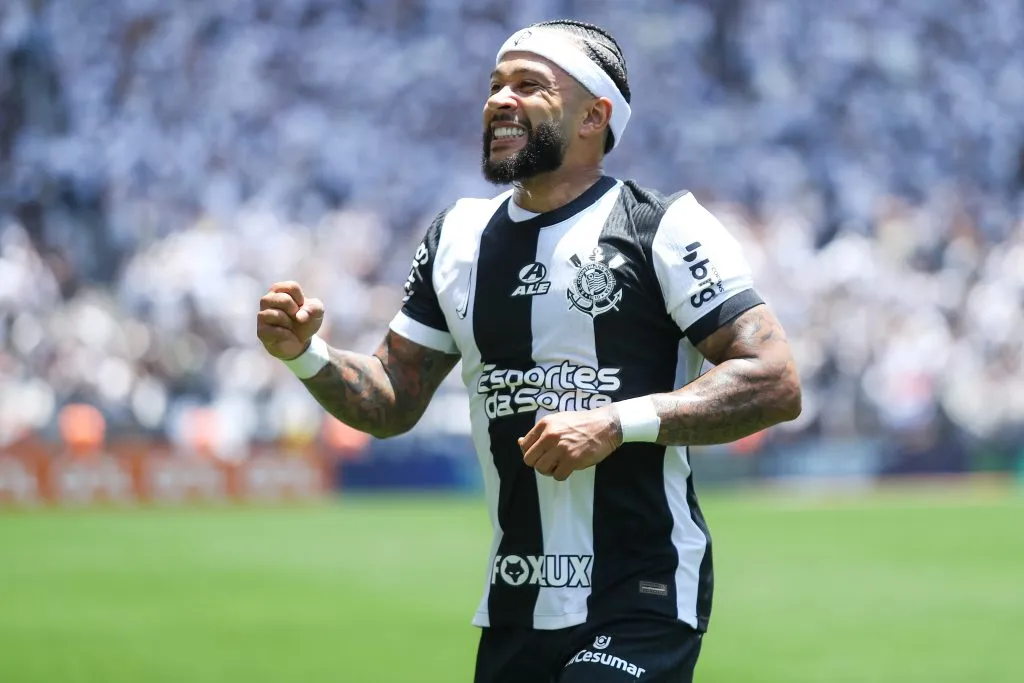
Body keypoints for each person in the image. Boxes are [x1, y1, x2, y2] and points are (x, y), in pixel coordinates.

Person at [257, 19, 801, 683]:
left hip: (642, 590)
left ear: (593, 117)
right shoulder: (456, 237)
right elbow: (394, 398)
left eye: (528, 85)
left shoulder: (662, 225)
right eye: (494, 85)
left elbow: (774, 378)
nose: (497, 100)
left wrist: (613, 422)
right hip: (516, 602)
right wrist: (307, 355)